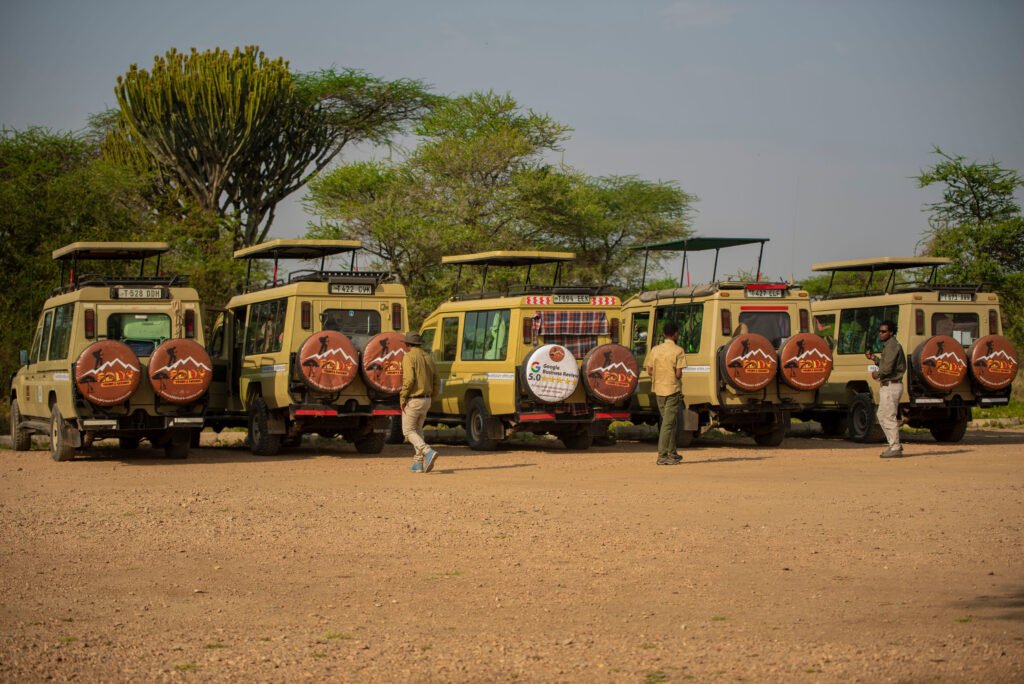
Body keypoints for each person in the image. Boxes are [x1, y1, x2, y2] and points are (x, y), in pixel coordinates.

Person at [645, 321, 688, 465]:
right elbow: (678, 373)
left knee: (668, 422)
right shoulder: (678, 351)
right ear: (675, 334)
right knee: (668, 424)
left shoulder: (655, 349)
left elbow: (649, 370)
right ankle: (662, 456)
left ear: (664, 334)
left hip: (658, 389)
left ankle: (673, 453)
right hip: (672, 390)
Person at [401, 331, 441, 473]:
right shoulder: (428, 357)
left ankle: (427, 451)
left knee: (408, 431)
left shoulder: (408, 357)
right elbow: (437, 379)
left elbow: (409, 379)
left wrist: (403, 397)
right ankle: (418, 463)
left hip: (414, 399)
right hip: (427, 400)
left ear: (407, 344)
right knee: (418, 430)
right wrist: (432, 396)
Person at [866, 320, 907, 458]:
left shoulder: (891, 346)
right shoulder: (890, 345)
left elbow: (887, 369)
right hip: (890, 385)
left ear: (891, 332)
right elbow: (887, 364)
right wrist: (874, 359)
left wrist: (876, 374)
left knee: (887, 416)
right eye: (880, 331)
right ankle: (894, 444)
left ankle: (895, 447)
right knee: (882, 415)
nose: (880, 334)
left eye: (883, 331)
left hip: (891, 385)